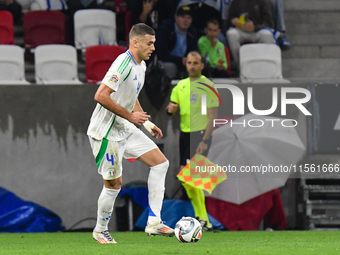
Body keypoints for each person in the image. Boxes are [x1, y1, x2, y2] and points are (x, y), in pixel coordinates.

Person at [87, 23, 174, 244]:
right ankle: (100, 230)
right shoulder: (123, 63)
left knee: (160, 163)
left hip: (123, 127)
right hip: (106, 132)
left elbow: (130, 94)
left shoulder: (141, 65)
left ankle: (154, 221)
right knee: (114, 185)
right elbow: (101, 95)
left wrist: (145, 122)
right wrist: (130, 116)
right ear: (135, 42)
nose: (153, 47)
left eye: (153, 43)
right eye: (149, 43)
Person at [166, 51, 219, 231]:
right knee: (185, 178)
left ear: (202, 65)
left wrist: (205, 139)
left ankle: (203, 219)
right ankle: (204, 220)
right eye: (189, 63)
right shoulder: (179, 87)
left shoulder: (208, 86)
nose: (192, 66)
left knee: (194, 177)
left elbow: (213, 117)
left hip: (201, 134)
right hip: (185, 135)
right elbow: (171, 109)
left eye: (196, 63)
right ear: (185, 64)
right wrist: (170, 109)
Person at [226, 0, 275, 73]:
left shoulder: (264, 1)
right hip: (241, 30)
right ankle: (240, 67)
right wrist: (234, 20)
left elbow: (269, 23)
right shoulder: (236, 1)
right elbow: (231, 17)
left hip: (257, 31)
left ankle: (268, 66)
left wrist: (254, 27)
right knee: (231, 34)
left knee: (267, 35)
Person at [155, 5, 200, 79]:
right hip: (165, 61)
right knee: (172, 67)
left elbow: (193, 51)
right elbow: (161, 54)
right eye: (183, 17)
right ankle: (168, 90)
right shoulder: (165, 30)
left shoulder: (193, 33)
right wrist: (180, 60)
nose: (186, 20)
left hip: (184, 62)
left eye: (188, 18)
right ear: (176, 18)